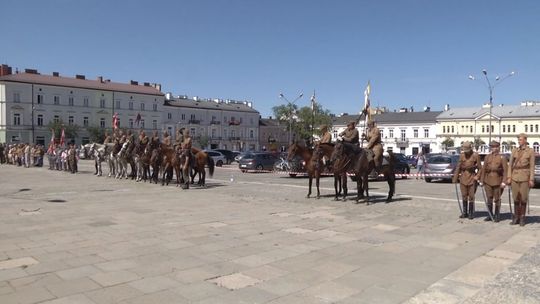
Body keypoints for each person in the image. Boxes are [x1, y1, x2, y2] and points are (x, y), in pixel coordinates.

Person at [507, 133, 535, 226]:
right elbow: (510, 165)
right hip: (514, 177)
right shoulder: (515, 150)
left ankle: (522, 217)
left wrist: (531, 179)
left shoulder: (530, 151)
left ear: (525, 140)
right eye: (518, 140)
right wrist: (509, 177)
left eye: (521, 139)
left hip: (524, 177)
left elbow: (532, 166)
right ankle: (516, 217)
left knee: (523, 198)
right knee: (515, 198)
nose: (519, 141)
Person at [477, 141, 508, 222]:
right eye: (492, 147)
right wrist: (481, 180)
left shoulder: (502, 158)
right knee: (489, 198)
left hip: (498, 180)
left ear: (498, 147)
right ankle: (490, 214)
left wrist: (504, 181)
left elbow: (505, 171)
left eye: (495, 147)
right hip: (488, 180)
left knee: (497, 199)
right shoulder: (487, 157)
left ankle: (497, 215)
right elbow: (483, 170)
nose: (493, 148)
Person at [452, 141, 481, 219]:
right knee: (464, 195)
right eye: (465, 150)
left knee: (471, 196)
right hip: (463, 178)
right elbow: (458, 167)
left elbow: (480, 168)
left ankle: (471, 213)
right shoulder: (462, 155)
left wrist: (477, 176)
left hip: (472, 178)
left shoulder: (475, 155)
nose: (466, 153)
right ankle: (465, 213)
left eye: (467, 150)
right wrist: (455, 178)